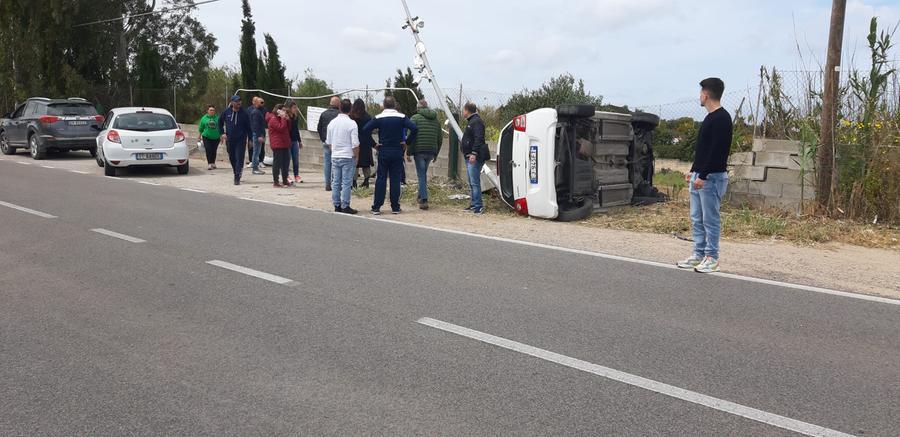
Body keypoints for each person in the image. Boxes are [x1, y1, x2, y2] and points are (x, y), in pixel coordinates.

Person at [677, 78, 732, 274]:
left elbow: (718, 152)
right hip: (700, 176)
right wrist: (693, 171)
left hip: (712, 177)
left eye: (701, 92)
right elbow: (703, 150)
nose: (699, 96)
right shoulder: (709, 118)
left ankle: (712, 257)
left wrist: (704, 175)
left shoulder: (722, 119)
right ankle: (698, 254)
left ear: (706, 94)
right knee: (697, 218)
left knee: (710, 219)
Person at [362, 96, 418, 215]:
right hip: (397, 150)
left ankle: (377, 207)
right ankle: (395, 207)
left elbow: (365, 130)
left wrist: (374, 144)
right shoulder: (402, 117)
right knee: (395, 179)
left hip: (383, 150)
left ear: (384, 105)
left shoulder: (379, 117)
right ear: (394, 105)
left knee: (381, 178)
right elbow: (414, 128)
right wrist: (407, 142)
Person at [326, 99, 360, 214]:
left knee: (336, 181)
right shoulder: (352, 123)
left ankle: (336, 204)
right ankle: (345, 204)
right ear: (350, 109)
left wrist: (334, 151)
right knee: (346, 182)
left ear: (340, 108)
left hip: (335, 155)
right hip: (347, 155)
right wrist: (356, 155)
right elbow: (355, 143)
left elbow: (329, 142)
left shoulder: (332, 123)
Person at [408, 99, 442, 210]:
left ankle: (424, 200)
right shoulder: (436, 120)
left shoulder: (415, 118)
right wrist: (436, 153)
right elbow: (439, 138)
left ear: (418, 108)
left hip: (419, 151)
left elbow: (411, 136)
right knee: (423, 174)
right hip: (431, 151)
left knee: (421, 175)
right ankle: (420, 196)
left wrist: (408, 152)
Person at [461, 102, 489, 214]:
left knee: (474, 182)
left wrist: (473, 153)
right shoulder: (472, 122)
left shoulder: (476, 122)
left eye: (463, 110)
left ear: (467, 110)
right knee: (471, 182)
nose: (463, 112)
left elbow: (479, 139)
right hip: (469, 156)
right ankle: (473, 204)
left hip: (474, 157)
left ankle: (478, 206)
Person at [217, 95, 252, 185]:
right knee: (232, 157)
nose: (238, 103)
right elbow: (219, 122)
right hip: (230, 139)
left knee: (239, 158)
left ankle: (237, 177)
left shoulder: (244, 113)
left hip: (241, 139)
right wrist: (222, 133)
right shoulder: (226, 112)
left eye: (240, 101)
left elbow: (249, 127)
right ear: (232, 102)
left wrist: (250, 139)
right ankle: (235, 170)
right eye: (236, 101)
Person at [316, 96, 341, 191]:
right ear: (338, 104)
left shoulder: (323, 114)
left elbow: (319, 128)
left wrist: (323, 139)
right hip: (336, 143)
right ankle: (335, 183)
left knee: (327, 163)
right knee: (336, 163)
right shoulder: (339, 114)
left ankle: (327, 184)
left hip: (326, 142)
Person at [350, 98, 375, 188]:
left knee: (355, 163)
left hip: (354, 142)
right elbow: (370, 131)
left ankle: (354, 182)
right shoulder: (368, 117)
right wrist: (374, 144)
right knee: (366, 163)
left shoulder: (352, 117)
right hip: (366, 142)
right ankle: (366, 180)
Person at [266, 104, 292, 188]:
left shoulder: (281, 118)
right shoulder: (273, 119)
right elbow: (281, 128)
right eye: (283, 110)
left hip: (285, 143)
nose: (285, 112)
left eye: (285, 110)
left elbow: (288, 128)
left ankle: (285, 180)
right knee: (277, 163)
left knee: (285, 163)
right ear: (278, 110)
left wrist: (287, 120)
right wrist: (284, 118)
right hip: (277, 144)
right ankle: (276, 181)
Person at [198, 104, 221, 171]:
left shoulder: (218, 118)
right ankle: (209, 163)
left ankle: (213, 162)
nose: (212, 111)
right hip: (206, 137)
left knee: (214, 150)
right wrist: (199, 136)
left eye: (213, 110)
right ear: (207, 111)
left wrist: (222, 136)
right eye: (210, 110)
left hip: (216, 137)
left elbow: (220, 128)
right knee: (208, 149)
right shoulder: (204, 118)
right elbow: (201, 128)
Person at [248, 96, 268, 175]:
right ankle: (255, 168)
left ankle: (256, 168)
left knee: (258, 151)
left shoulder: (259, 111)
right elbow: (256, 125)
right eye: (260, 102)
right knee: (256, 152)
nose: (262, 104)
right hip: (257, 135)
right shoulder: (256, 112)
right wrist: (259, 135)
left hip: (259, 134)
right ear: (256, 103)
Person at [285, 101, 303, 184]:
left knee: (296, 159)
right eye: (294, 108)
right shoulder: (285, 117)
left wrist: (299, 141)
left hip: (294, 140)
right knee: (287, 159)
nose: (296, 109)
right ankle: (286, 175)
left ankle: (296, 175)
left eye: (296, 108)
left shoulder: (296, 117)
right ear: (289, 108)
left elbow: (296, 129)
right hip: (287, 140)